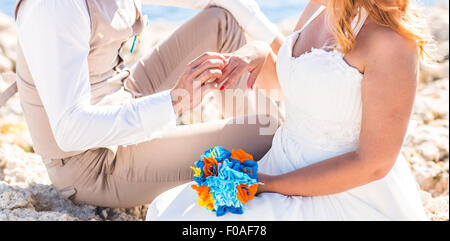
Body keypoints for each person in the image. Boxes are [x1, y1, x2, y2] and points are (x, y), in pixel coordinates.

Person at [147, 0, 429, 220]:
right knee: (168, 211)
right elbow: (298, 88)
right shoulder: (318, 7)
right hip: (280, 161)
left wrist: (268, 184)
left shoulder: (391, 42)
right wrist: (256, 54)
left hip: (343, 192)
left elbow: (374, 164)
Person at [12, 0, 283, 208]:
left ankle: (256, 148)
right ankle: (263, 150)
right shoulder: (55, 8)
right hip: (92, 162)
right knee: (268, 133)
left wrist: (287, 56)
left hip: (123, 95)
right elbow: (70, 131)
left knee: (221, 22)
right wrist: (174, 101)